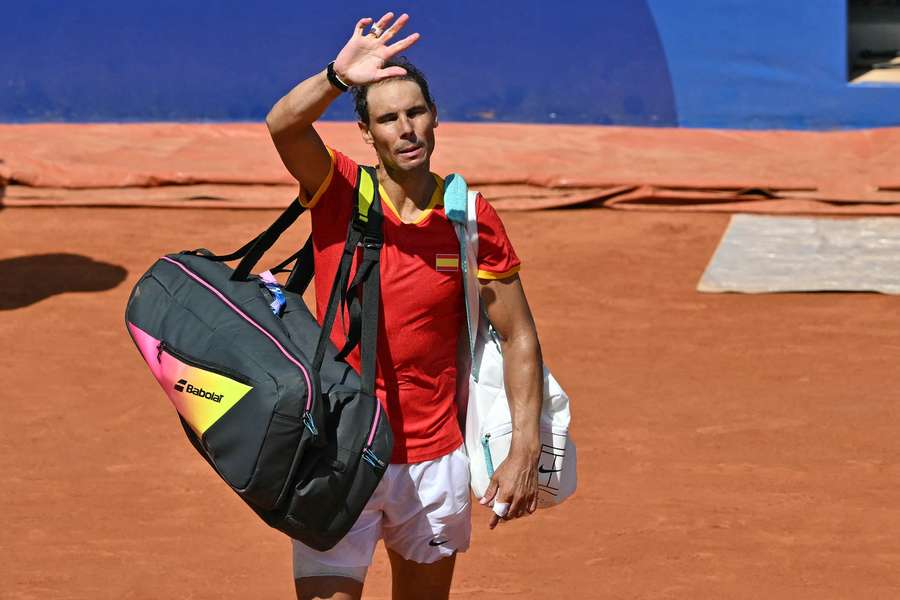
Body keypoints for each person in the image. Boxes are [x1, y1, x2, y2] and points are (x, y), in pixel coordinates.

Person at [266, 13, 544, 600]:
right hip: (341, 451)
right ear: (368, 133)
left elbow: (518, 334)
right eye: (388, 119)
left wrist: (525, 446)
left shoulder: (469, 218)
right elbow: (284, 126)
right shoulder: (339, 191)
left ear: (435, 117)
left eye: (416, 112)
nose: (407, 128)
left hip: (435, 460)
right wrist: (337, 77)